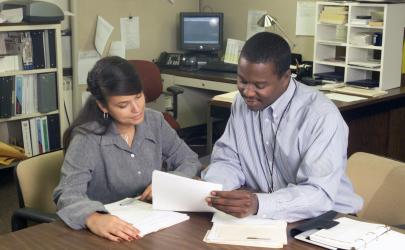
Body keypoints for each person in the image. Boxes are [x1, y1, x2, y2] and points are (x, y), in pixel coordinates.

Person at [202, 32, 363, 222]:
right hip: (266, 216)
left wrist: (259, 204)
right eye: (242, 81)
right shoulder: (241, 102)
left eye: (259, 85)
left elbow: (318, 194)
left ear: (286, 77)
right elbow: (228, 160)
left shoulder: (321, 116)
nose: (248, 92)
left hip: (329, 218)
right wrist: (212, 189)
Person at [53, 56, 201, 242]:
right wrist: (93, 217)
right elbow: (67, 193)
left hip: (152, 226)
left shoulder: (154, 121)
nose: (137, 108)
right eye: (123, 105)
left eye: (138, 96)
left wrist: (168, 182)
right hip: (108, 234)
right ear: (103, 106)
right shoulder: (87, 138)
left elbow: (189, 160)